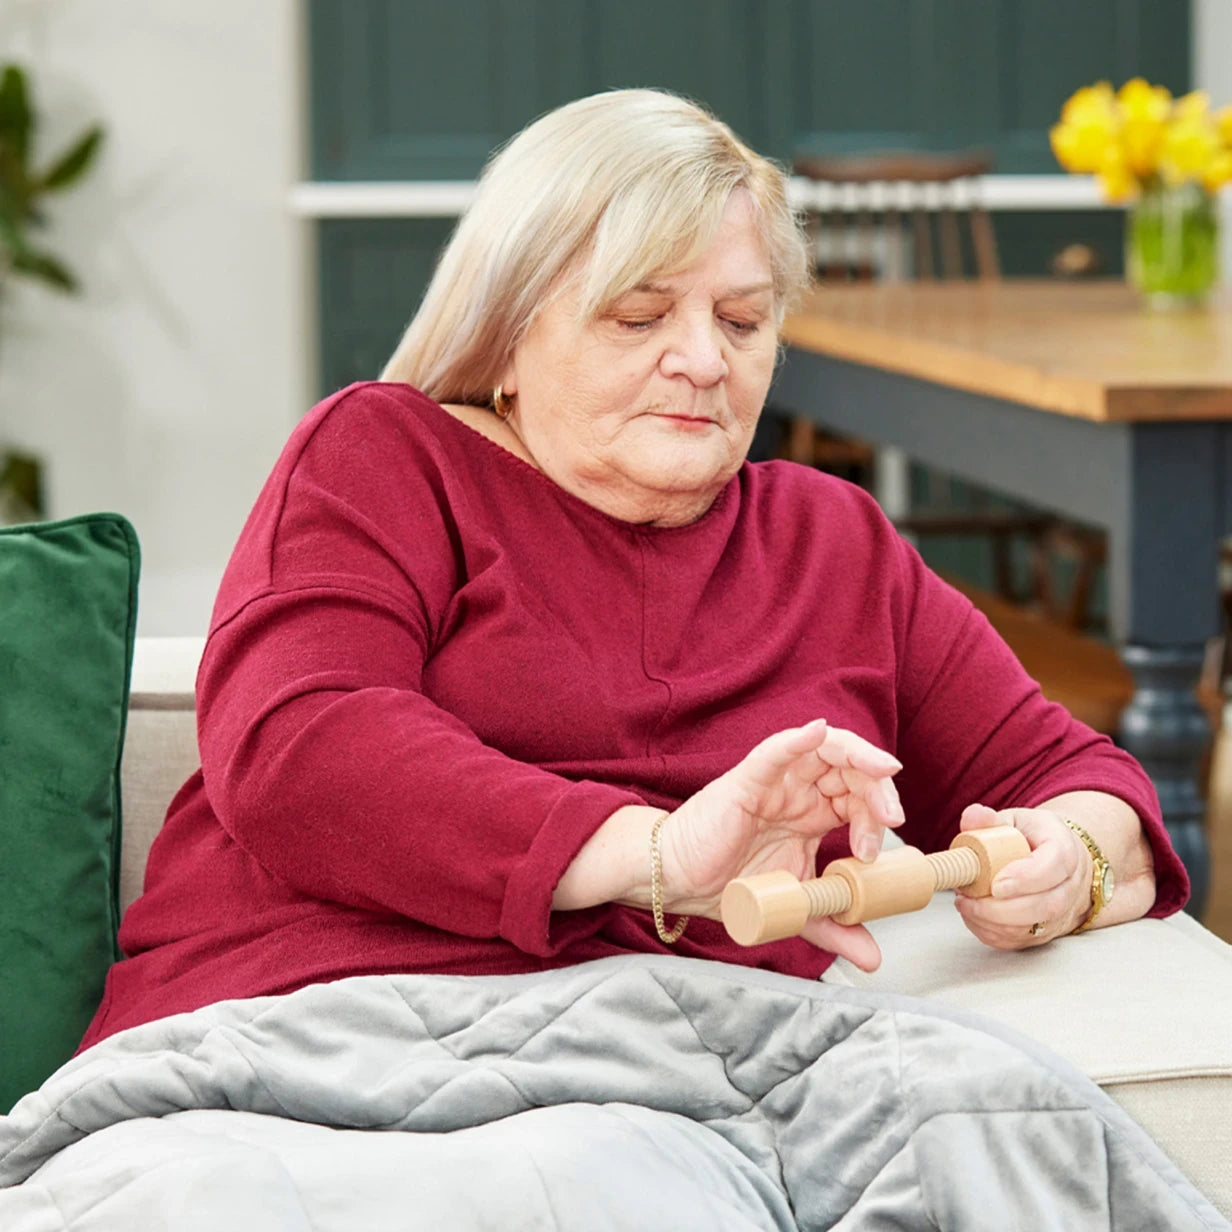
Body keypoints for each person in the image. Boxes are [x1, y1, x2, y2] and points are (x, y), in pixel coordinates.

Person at [80, 88, 1187, 1051]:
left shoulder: (830, 542)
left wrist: (1069, 863)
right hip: (311, 1017)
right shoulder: (385, 455)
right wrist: (657, 854)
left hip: (674, 1068)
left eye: (742, 319)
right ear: (505, 332)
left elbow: (1080, 779)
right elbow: (301, 745)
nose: (704, 360)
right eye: (640, 313)